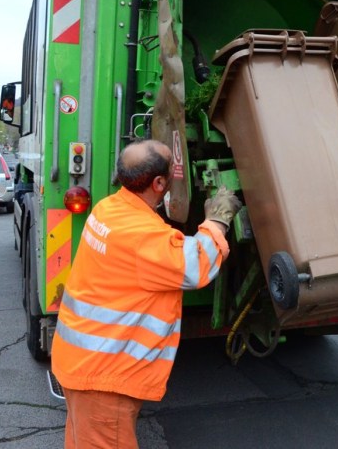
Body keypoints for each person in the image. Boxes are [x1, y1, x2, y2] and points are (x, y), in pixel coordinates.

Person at [51, 139, 242, 448]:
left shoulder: (109, 208)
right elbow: (195, 266)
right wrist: (217, 221)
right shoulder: (141, 236)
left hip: (85, 363)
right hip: (103, 378)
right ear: (158, 183)